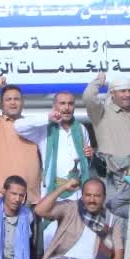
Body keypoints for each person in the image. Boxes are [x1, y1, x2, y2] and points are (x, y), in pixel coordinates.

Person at [0, 75, 49, 205]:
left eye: (16, 99)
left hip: (31, 199)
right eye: (8, 99)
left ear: (22, 103)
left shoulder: (32, 126)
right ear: (1, 104)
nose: (13, 103)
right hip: (2, 198)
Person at [39, 89, 94, 244]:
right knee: (51, 238)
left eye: (70, 104)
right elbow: (19, 127)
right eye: (62, 103)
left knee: (77, 237)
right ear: (54, 106)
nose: (66, 108)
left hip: (77, 192)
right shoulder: (44, 129)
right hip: (54, 191)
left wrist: (90, 155)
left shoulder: (81, 129)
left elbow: (86, 162)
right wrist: (48, 117)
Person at [82, 72, 130, 198]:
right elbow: (88, 97)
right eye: (122, 91)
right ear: (112, 93)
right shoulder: (101, 113)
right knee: (113, 210)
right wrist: (99, 81)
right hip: (113, 181)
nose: (127, 95)